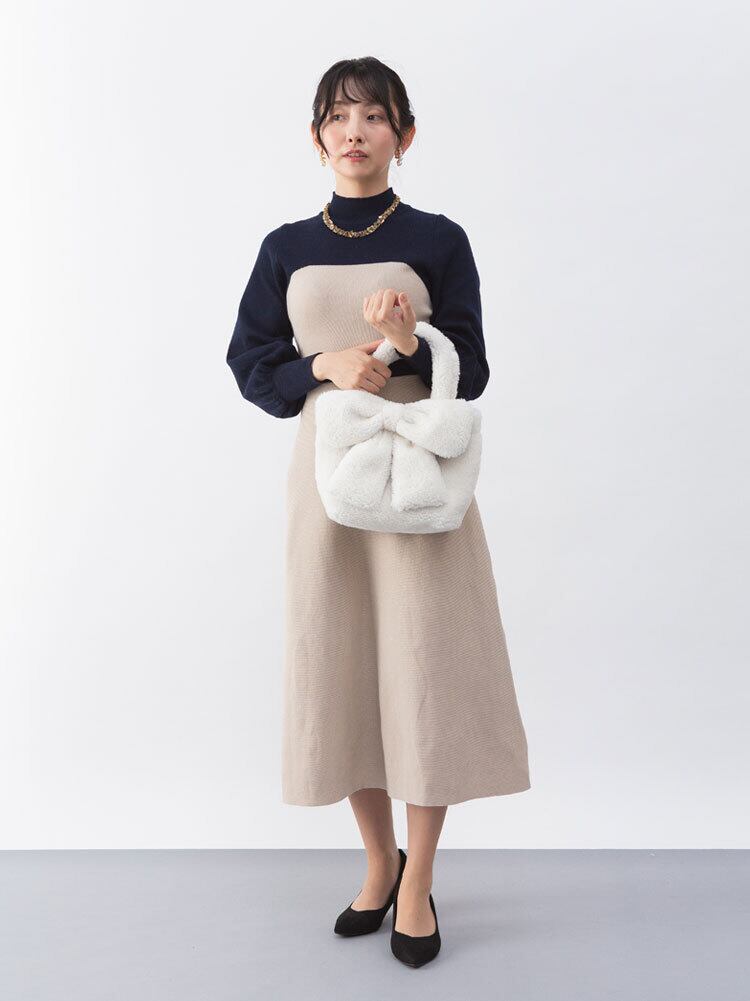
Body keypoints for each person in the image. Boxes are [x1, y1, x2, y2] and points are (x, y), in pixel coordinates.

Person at [226, 56, 531, 968]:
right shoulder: (284, 245)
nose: (354, 131)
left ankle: (419, 880)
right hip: (329, 476)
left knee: (425, 664)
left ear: (405, 133)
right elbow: (250, 362)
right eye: (337, 116)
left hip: (420, 477)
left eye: (373, 115)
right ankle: (377, 860)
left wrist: (407, 344)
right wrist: (324, 365)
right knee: (344, 660)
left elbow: (472, 367)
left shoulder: (439, 238)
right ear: (316, 136)